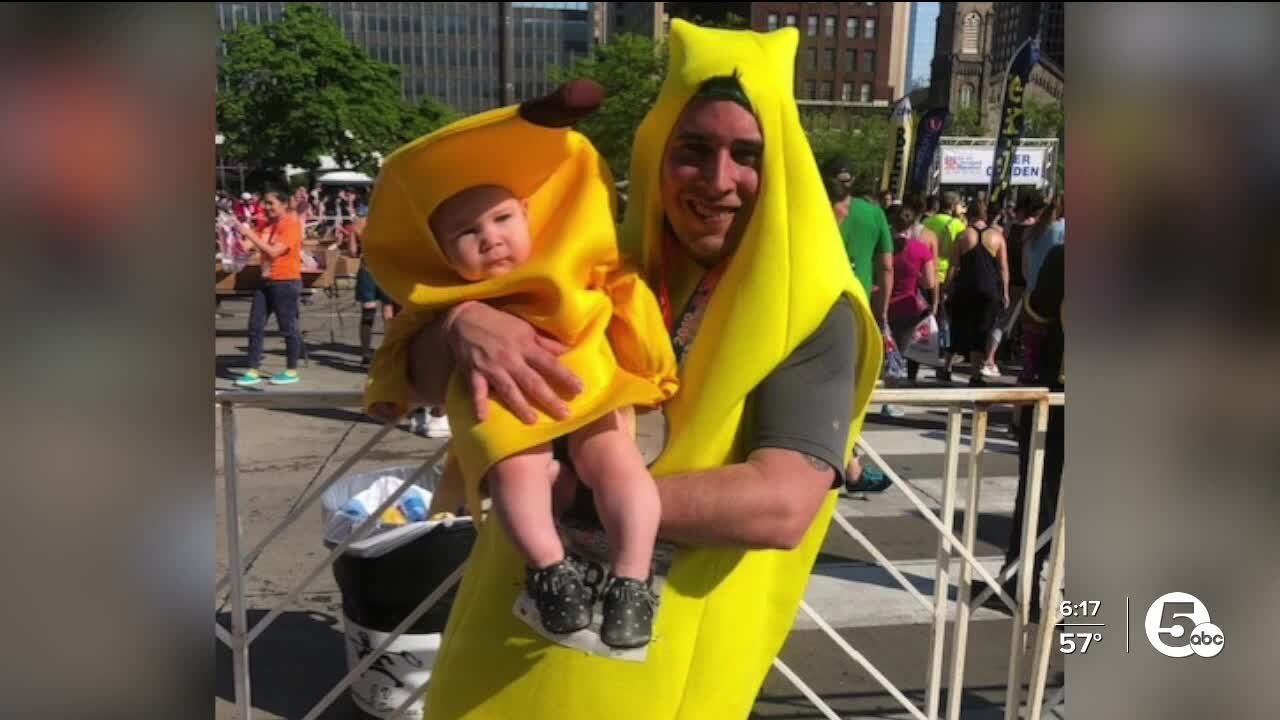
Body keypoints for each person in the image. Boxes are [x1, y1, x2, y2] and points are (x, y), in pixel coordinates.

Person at [365, 21, 881, 719]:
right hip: (501, 639)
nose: (719, 180)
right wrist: (463, 325)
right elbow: (422, 380)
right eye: (693, 150)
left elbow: (782, 504)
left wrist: (576, 494)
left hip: (652, 671)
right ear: (656, 149)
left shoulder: (816, 306)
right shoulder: (604, 257)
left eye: (747, 154)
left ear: (783, 161)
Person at [364, 81, 682, 649]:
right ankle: (549, 568)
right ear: (441, 252)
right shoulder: (440, 299)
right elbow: (401, 341)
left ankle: (633, 577)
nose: (490, 240)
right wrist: (389, 389)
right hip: (514, 410)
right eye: (467, 233)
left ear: (530, 214)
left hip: (587, 385)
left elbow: (625, 300)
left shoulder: (573, 263)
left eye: (502, 219)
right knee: (517, 470)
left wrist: (652, 371)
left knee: (612, 460)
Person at [978, 242, 1063, 622]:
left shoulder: (1068, 255)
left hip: (1061, 395)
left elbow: (1036, 319)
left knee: (1039, 492)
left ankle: (1022, 586)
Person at [234, 189, 303, 386]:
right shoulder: (265, 225)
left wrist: (250, 234)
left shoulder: (291, 224)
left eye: (271, 203)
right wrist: (232, 231)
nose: (266, 207)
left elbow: (273, 251)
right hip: (265, 281)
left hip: (286, 281)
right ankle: (252, 369)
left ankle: (291, 370)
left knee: (288, 327)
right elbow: (245, 246)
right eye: (265, 203)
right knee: (255, 326)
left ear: (284, 204)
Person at [943, 201, 1008, 385]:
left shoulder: (963, 236)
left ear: (968, 215)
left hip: (966, 288)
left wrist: (947, 287)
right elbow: (1003, 268)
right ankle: (975, 374)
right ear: (985, 215)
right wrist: (1005, 292)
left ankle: (947, 366)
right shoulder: (998, 237)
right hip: (989, 290)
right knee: (981, 331)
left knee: (959, 326)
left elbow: (954, 266)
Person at [881, 204, 938, 415]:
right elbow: (929, 282)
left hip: (881, 303)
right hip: (907, 307)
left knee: (876, 351)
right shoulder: (921, 249)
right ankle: (889, 401)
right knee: (898, 353)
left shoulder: (883, 245)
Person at [984, 189, 1046, 377]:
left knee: (1002, 320)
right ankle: (996, 359)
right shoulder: (1037, 230)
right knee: (1026, 325)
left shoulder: (1011, 226)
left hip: (1009, 278)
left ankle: (991, 357)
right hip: (1027, 281)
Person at [836, 170, 894, 329]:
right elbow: (886, 266)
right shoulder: (875, 213)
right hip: (857, 298)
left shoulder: (815, 205)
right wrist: (882, 311)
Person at [923, 191, 967, 381]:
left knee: (927, 312)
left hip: (927, 271)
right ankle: (943, 347)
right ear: (954, 206)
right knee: (945, 314)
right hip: (946, 272)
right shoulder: (958, 225)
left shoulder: (928, 222)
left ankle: (926, 344)